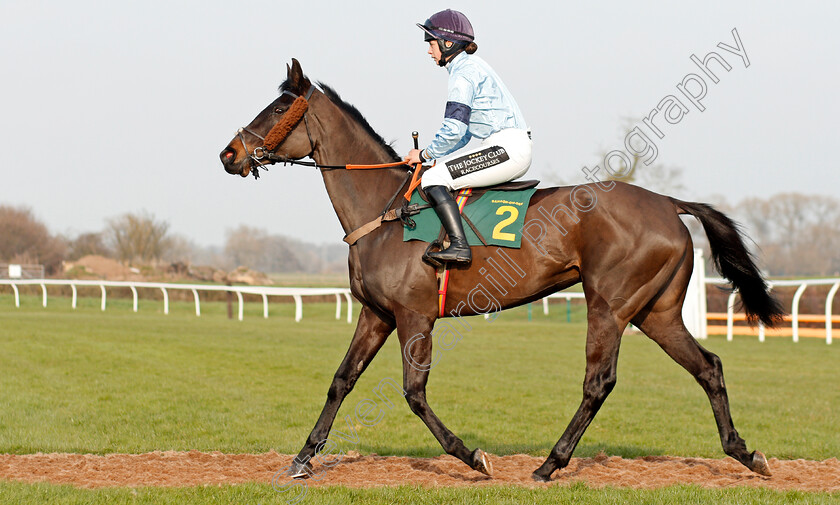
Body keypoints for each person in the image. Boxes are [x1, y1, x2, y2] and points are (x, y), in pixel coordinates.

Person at [405, 9, 532, 266]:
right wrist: (439, 158)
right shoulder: (470, 67)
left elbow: (453, 129)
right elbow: (462, 136)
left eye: (431, 43)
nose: (429, 51)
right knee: (439, 172)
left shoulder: (463, 73)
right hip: (505, 145)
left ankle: (460, 246)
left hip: (506, 147)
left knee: (431, 179)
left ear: (447, 42)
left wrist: (425, 154)